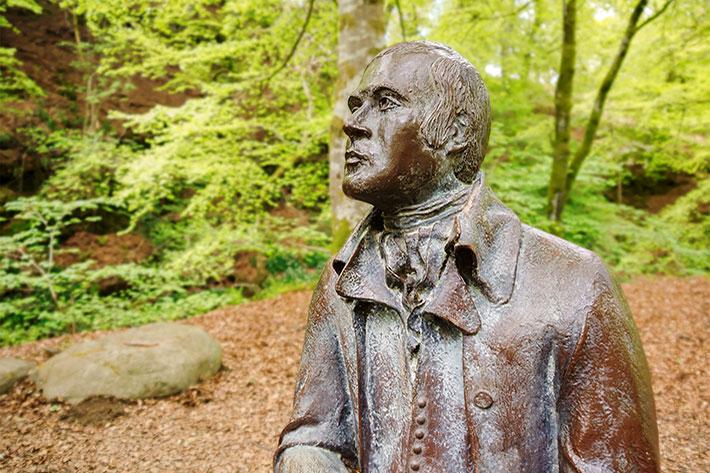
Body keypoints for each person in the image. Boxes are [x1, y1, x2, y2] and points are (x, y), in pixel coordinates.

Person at [274, 41, 659, 473]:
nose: (354, 124)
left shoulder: (573, 282)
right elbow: (315, 435)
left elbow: (614, 463)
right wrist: (308, 459)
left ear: (455, 132)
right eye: (356, 105)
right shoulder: (341, 281)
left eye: (385, 103)